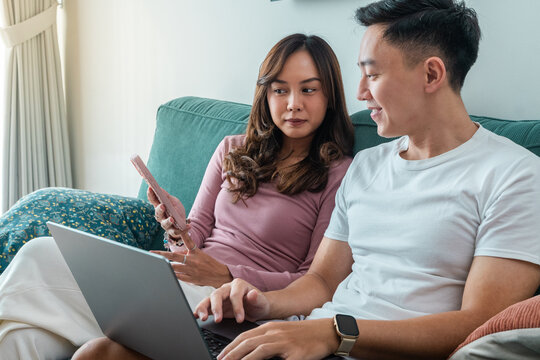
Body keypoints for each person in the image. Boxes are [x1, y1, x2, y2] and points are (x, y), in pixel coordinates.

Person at [183, 1, 540, 359]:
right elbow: (322, 281)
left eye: (373, 75)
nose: (359, 93)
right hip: (313, 341)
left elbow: (479, 325)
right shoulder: (367, 165)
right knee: (133, 342)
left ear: (431, 75)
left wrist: (335, 334)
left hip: (344, 345)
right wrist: (261, 303)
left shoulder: (514, 175)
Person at [0, 33, 354, 360]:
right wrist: (175, 226)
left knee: (38, 256)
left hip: (238, 303)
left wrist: (228, 275)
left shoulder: (340, 174)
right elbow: (194, 235)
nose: (293, 104)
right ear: (265, 94)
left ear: (329, 96)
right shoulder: (232, 148)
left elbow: (315, 280)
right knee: (25, 335)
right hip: (183, 280)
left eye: (308, 90)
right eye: (280, 90)